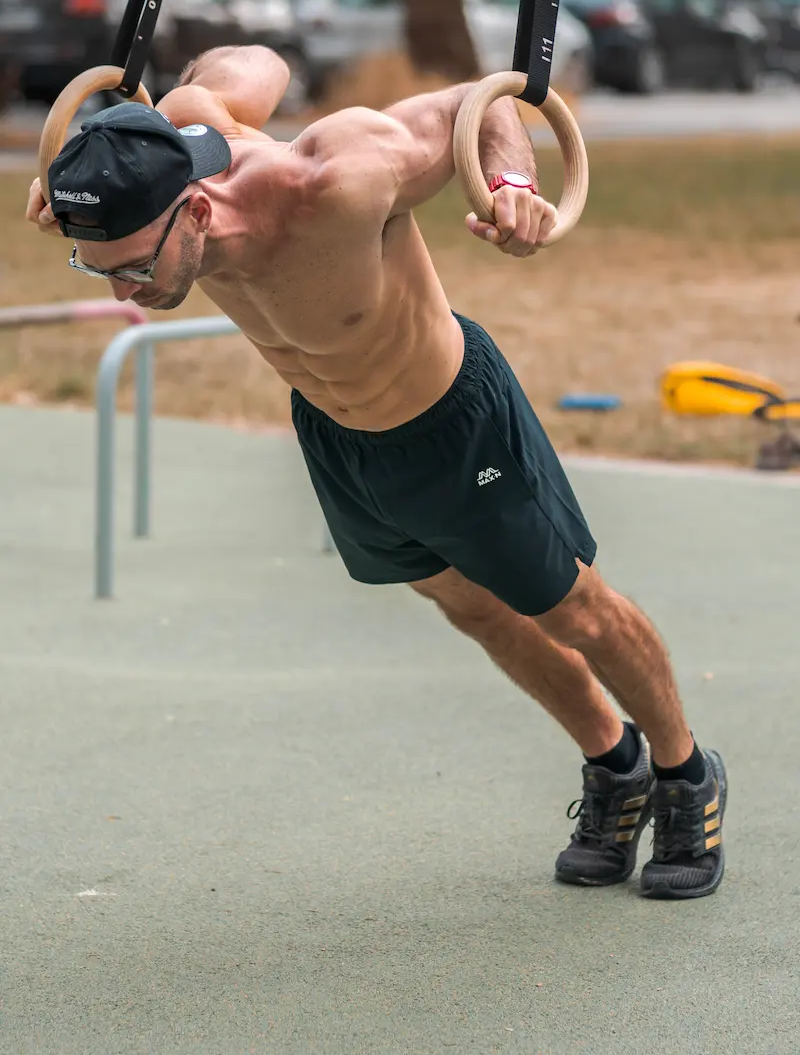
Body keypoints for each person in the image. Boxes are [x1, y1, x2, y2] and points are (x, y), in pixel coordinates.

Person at [27, 44, 726, 899]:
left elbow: (484, 100)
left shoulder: (337, 177)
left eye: (134, 267)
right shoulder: (177, 133)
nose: (123, 296)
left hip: (455, 427)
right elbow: (250, 61)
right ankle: (615, 766)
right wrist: (76, 179)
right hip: (339, 439)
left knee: (572, 608)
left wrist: (509, 186)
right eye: (101, 270)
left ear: (199, 209)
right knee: (473, 609)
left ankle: (686, 774)